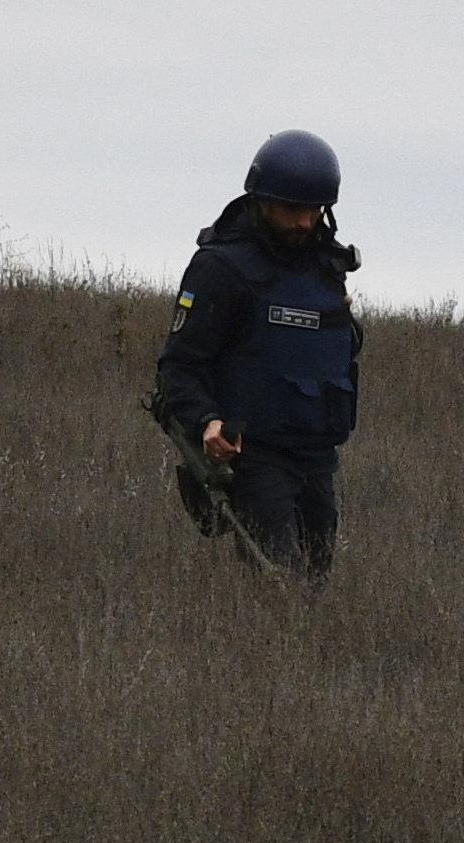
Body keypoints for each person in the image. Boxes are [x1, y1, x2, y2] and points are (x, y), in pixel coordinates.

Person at [149, 131, 359, 574]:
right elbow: (180, 365)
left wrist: (345, 324)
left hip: (318, 455)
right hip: (256, 456)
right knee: (280, 585)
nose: (305, 222)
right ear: (262, 200)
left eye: (314, 210)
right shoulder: (221, 267)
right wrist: (206, 423)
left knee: (316, 585)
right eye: (293, 209)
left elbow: (331, 350)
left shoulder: (327, 266)